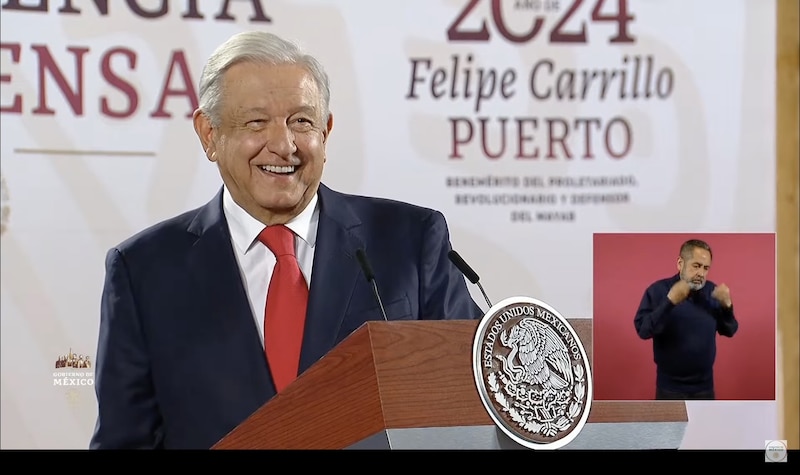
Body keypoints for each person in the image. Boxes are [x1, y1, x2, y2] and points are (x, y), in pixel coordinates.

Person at [89, 30, 484, 450]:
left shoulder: (408, 239)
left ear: (326, 131)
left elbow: (476, 403)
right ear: (209, 134)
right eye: (256, 122)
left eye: (302, 121)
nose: (283, 145)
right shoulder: (144, 271)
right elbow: (124, 440)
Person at [633, 239, 738, 400]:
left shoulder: (712, 291)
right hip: (669, 389)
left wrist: (727, 306)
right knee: (670, 426)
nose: (701, 274)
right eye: (696, 266)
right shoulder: (658, 291)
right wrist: (669, 302)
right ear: (680, 263)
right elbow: (643, 331)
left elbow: (730, 330)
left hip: (705, 388)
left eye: (706, 268)